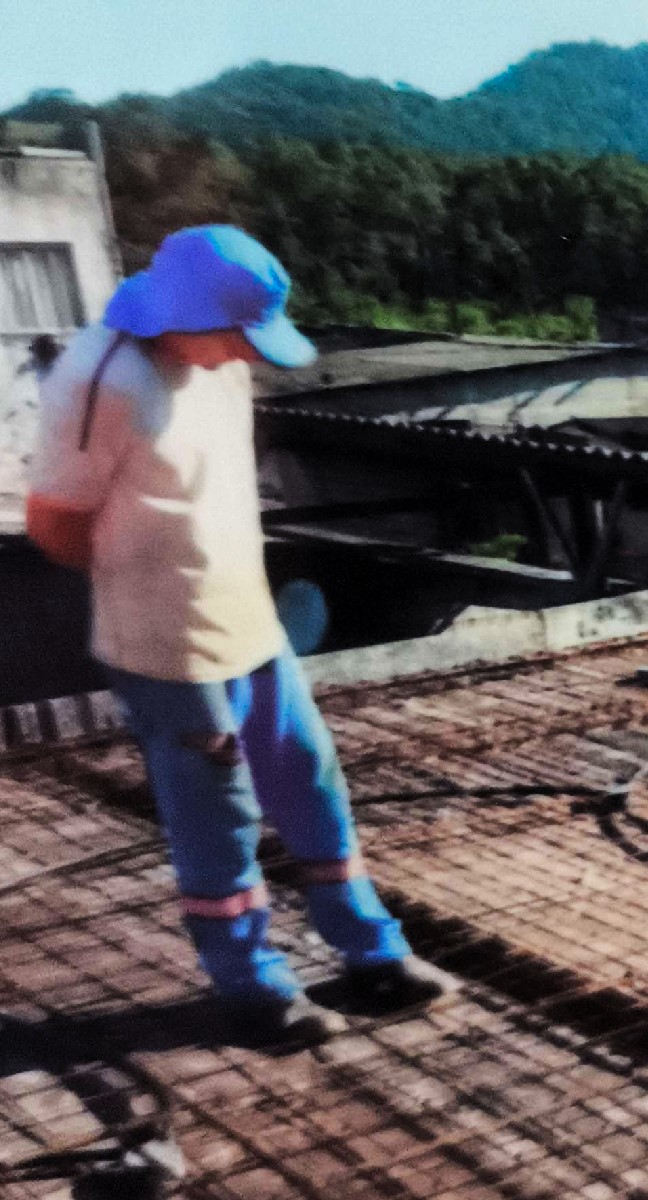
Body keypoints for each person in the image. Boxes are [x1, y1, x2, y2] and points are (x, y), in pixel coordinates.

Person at [25, 226, 454, 1044]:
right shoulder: (99, 381)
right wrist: (147, 587)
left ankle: (372, 951)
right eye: (238, 338)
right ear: (182, 316)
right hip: (167, 644)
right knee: (218, 816)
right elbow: (56, 525)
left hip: (249, 620)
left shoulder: (214, 363)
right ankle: (253, 985)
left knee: (310, 784)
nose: (248, 356)